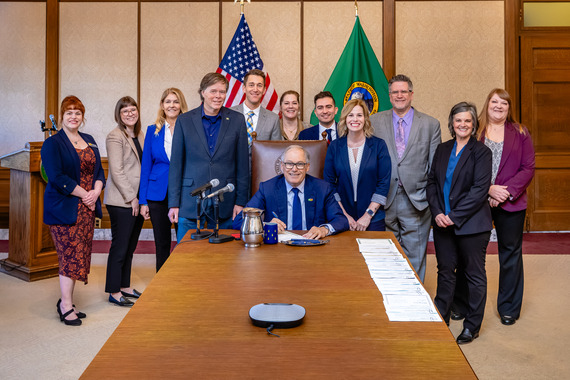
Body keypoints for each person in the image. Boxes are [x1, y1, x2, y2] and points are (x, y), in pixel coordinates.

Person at [452, 89, 535, 326]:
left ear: (509, 108)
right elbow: (463, 166)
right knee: (469, 253)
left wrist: (505, 192)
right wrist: (488, 189)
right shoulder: (475, 130)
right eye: (494, 101)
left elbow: (528, 167)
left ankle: (508, 307)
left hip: (511, 202)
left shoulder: (520, 132)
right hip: (476, 201)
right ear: (487, 104)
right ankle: (461, 302)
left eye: (504, 103)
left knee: (510, 253)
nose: (498, 106)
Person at [426, 102, 492, 344]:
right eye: (458, 120)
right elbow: (432, 182)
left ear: (474, 124)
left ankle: (472, 326)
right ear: (451, 123)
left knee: (474, 275)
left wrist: (453, 216)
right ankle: (440, 316)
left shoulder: (482, 152)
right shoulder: (442, 149)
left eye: (467, 120)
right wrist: (437, 213)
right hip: (442, 223)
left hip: (472, 225)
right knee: (445, 271)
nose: (462, 124)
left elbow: (479, 191)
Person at [370, 74, 441, 281]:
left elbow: (434, 167)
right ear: (389, 95)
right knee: (387, 253)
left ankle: (414, 300)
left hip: (416, 200)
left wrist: (428, 198)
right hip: (384, 198)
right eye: (395, 92)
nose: (399, 95)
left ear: (411, 94)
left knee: (415, 254)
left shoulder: (430, 124)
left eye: (403, 91)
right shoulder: (375, 121)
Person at [42, 96, 105, 326]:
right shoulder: (53, 143)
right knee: (69, 256)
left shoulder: (89, 140)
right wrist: (85, 194)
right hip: (64, 208)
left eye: (77, 112)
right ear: (61, 116)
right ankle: (66, 306)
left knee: (79, 255)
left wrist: (96, 191)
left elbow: (99, 171)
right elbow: (56, 177)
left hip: (87, 208)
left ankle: (67, 301)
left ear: (82, 116)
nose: (73, 116)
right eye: (69, 112)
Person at [168, 72, 249, 241]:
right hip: (190, 201)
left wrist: (240, 202)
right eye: (213, 91)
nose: (218, 96)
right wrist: (173, 204)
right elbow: (176, 165)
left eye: (222, 91)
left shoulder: (237, 120)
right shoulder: (184, 120)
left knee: (223, 258)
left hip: (225, 201)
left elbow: (243, 165)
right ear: (203, 92)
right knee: (187, 256)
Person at [233, 145, 349, 238]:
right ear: (282, 166)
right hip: (277, 249)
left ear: (307, 167)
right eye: (289, 164)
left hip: (312, 247)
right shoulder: (267, 188)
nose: (294, 169)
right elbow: (238, 221)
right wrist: (265, 226)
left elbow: (341, 220)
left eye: (299, 164)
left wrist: (324, 230)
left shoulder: (323, 188)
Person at [139, 88, 188, 272]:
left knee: (184, 241)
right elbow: (146, 167)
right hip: (157, 194)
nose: (172, 105)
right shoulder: (153, 131)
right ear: (162, 105)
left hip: (183, 192)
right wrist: (143, 201)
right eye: (168, 101)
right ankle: (161, 282)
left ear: (181, 104)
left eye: (176, 101)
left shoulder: (189, 128)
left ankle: (181, 279)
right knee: (162, 242)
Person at [324, 99, 391, 231]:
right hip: (342, 217)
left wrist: (368, 215)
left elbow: (383, 184)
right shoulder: (335, 147)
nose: (355, 119)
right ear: (345, 119)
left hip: (373, 218)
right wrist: (344, 215)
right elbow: (329, 184)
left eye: (359, 115)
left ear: (365, 119)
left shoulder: (379, 146)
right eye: (351, 115)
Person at [104, 96, 145, 307]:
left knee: (130, 246)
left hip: (137, 199)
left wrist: (142, 200)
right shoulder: (115, 136)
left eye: (133, 109)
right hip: (122, 201)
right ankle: (113, 290)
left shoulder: (139, 134)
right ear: (119, 115)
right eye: (125, 111)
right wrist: (132, 199)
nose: (130, 113)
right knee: (119, 246)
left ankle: (125, 286)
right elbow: (117, 171)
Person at [231, 69, 280, 144]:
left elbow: (276, 150)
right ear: (244, 88)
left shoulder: (273, 119)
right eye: (251, 85)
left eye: (259, 85)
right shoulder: (230, 114)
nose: (255, 89)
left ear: (264, 90)